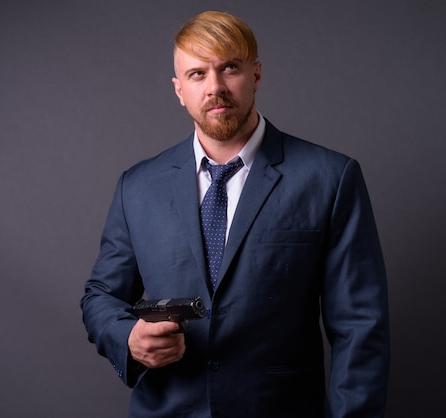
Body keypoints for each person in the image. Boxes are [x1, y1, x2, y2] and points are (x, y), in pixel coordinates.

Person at [80, 10, 389, 418]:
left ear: (256, 74)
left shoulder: (329, 178)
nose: (215, 88)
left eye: (229, 68)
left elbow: (360, 327)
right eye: (197, 74)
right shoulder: (137, 186)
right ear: (178, 89)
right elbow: (101, 296)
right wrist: (128, 338)